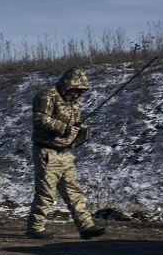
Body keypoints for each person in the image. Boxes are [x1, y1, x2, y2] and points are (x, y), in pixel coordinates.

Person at [25, 68, 106, 240]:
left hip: (65, 153)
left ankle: (86, 227)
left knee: (74, 192)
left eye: (81, 91)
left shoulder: (74, 102)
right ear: (68, 85)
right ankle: (35, 227)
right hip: (47, 152)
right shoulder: (46, 96)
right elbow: (40, 119)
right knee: (46, 193)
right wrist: (65, 128)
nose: (78, 94)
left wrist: (79, 131)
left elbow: (72, 123)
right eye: (76, 89)